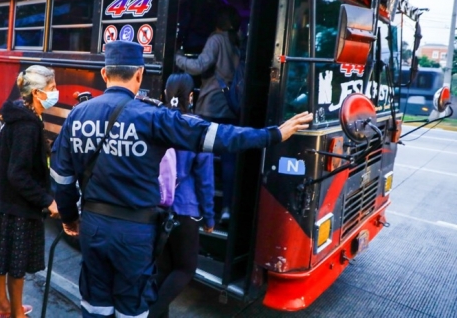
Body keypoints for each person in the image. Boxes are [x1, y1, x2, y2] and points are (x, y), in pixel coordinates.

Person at [50, 40, 312, 318]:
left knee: (94, 304)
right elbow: (216, 136)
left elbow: (62, 179)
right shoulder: (152, 117)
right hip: (135, 232)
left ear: (104, 74)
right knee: (132, 308)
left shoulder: (77, 114)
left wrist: (69, 218)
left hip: (93, 227)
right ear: (139, 73)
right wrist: (273, 134)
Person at [0, 65, 59, 318]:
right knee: (16, 263)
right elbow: (18, 172)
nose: (56, 92)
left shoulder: (20, 113)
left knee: (0, 256)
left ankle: (3, 306)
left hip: (6, 200)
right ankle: (16, 313)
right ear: (37, 93)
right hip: (19, 205)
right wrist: (47, 200)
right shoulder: (27, 124)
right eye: (52, 88)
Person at [149, 73, 215, 318]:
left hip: (157, 205)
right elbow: (205, 180)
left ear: (165, 93)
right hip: (186, 209)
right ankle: (150, 313)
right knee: (186, 268)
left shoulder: (155, 121)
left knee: (163, 269)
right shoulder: (197, 127)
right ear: (191, 96)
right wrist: (208, 217)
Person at [175, 5, 241, 223]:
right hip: (231, 106)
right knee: (229, 159)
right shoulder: (237, 41)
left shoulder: (216, 39)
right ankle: (228, 208)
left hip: (212, 104)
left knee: (202, 155)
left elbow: (200, 66)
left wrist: (178, 58)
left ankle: (200, 206)